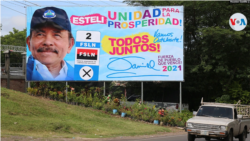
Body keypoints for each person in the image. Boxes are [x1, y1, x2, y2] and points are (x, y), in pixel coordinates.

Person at [26, 7, 75, 81]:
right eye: (40, 34)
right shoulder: (24, 73)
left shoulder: (80, 76)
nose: (48, 42)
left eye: (57, 35)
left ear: (70, 45)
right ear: (29, 43)